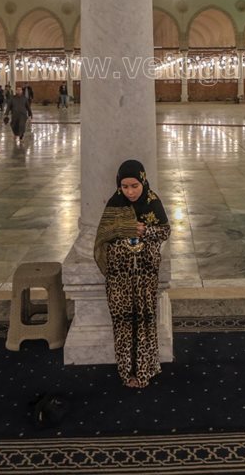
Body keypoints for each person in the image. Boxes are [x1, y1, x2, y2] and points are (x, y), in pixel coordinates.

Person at [93, 159, 171, 388]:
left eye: (135, 186)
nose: (130, 192)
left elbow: (164, 231)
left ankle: (146, 369)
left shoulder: (152, 202)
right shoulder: (115, 204)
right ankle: (127, 371)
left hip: (145, 276)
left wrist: (145, 231)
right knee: (123, 323)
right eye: (125, 186)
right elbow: (102, 236)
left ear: (143, 182)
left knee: (145, 320)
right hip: (119, 279)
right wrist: (124, 229)